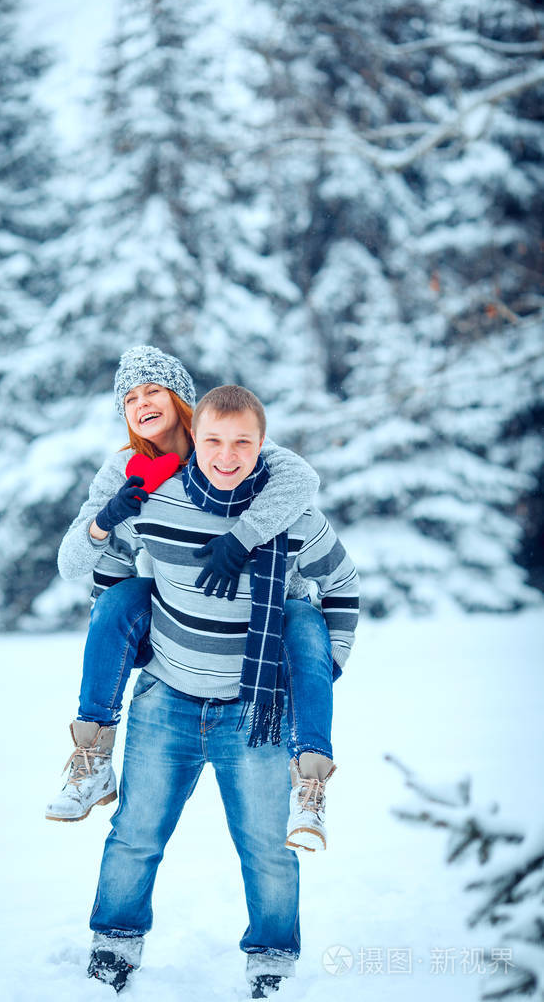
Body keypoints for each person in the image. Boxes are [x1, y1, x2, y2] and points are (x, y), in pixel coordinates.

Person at [56, 374, 359, 996]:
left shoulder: (290, 514)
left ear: (262, 445)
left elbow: (341, 583)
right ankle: (114, 947)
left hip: (255, 710)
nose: (227, 456)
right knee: (135, 835)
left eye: (243, 443)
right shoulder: (153, 500)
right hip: (166, 701)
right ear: (193, 439)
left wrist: (326, 667)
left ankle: (271, 961)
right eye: (214, 441)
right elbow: (107, 573)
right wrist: (128, 629)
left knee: (267, 847)